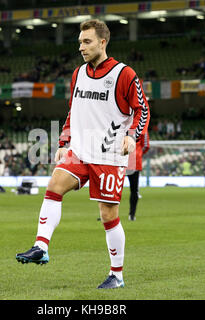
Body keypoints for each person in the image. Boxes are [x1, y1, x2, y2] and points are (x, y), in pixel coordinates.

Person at [16, 19, 150, 289]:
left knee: (108, 214)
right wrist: (64, 140)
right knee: (54, 185)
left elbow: (142, 109)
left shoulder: (124, 74)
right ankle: (41, 246)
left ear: (103, 42)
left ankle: (117, 275)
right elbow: (73, 112)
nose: (82, 47)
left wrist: (131, 136)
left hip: (109, 155)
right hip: (80, 149)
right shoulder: (78, 74)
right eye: (79, 42)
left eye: (87, 41)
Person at [127, 131, 150, 221]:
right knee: (134, 190)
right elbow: (146, 145)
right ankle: (132, 215)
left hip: (120, 161)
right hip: (134, 162)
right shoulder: (142, 126)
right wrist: (138, 153)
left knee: (113, 188)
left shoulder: (121, 122)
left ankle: (108, 214)